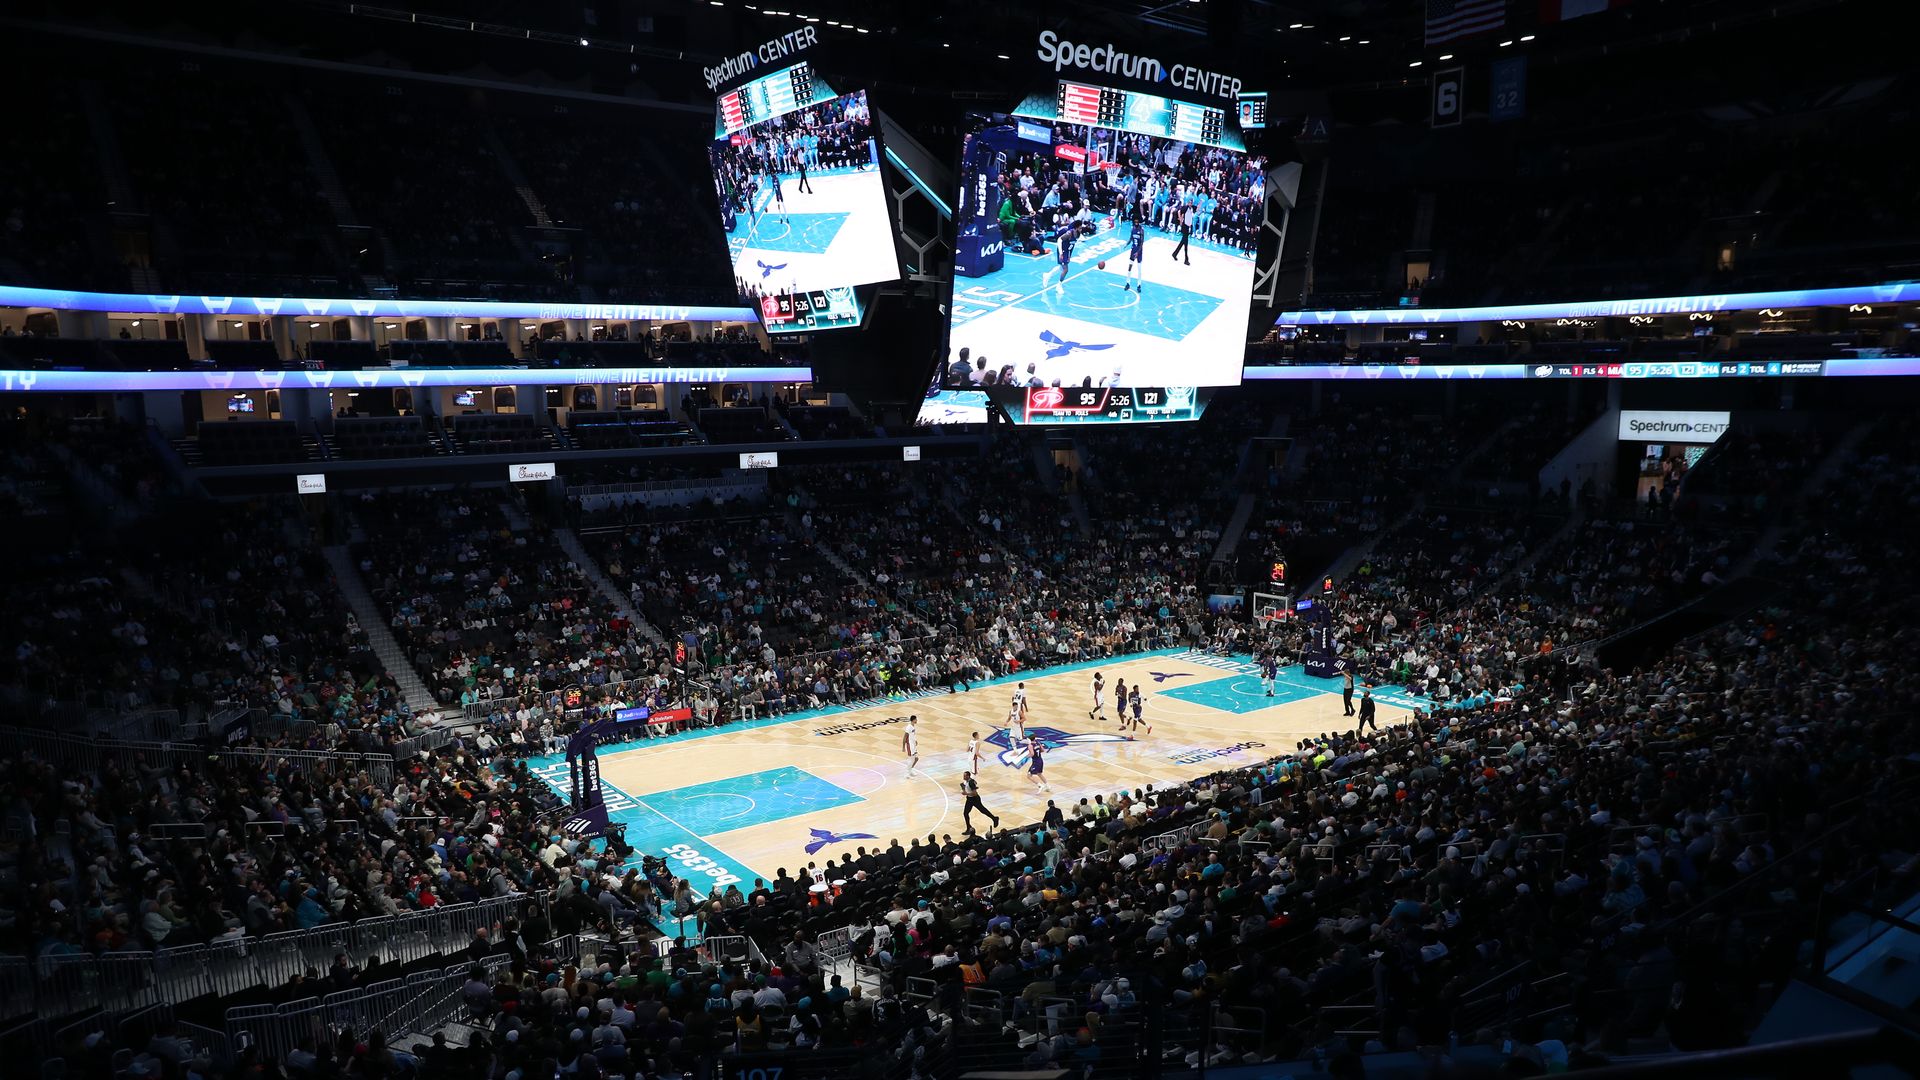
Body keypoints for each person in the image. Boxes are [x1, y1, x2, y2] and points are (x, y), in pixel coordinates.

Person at [1122, 208, 1147, 293]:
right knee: (1129, 267)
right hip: (1133, 250)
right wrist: (1126, 244)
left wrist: (1138, 252)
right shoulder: (1133, 229)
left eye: (1137, 222)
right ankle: (1127, 283)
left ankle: (1139, 285)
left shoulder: (1141, 230)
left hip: (1139, 252)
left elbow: (1142, 243)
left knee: (1139, 269)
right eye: (1135, 222)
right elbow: (1130, 238)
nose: (1136, 223)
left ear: (1139, 222)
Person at [1170, 200, 1193, 265]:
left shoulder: (1191, 209)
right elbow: (1179, 211)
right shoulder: (1185, 207)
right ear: (1188, 203)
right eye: (1190, 203)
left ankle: (1175, 254)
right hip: (1184, 226)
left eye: (1191, 203)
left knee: (1183, 242)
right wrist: (1180, 220)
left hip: (1187, 226)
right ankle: (1186, 259)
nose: (1190, 204)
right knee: (1185, 244)